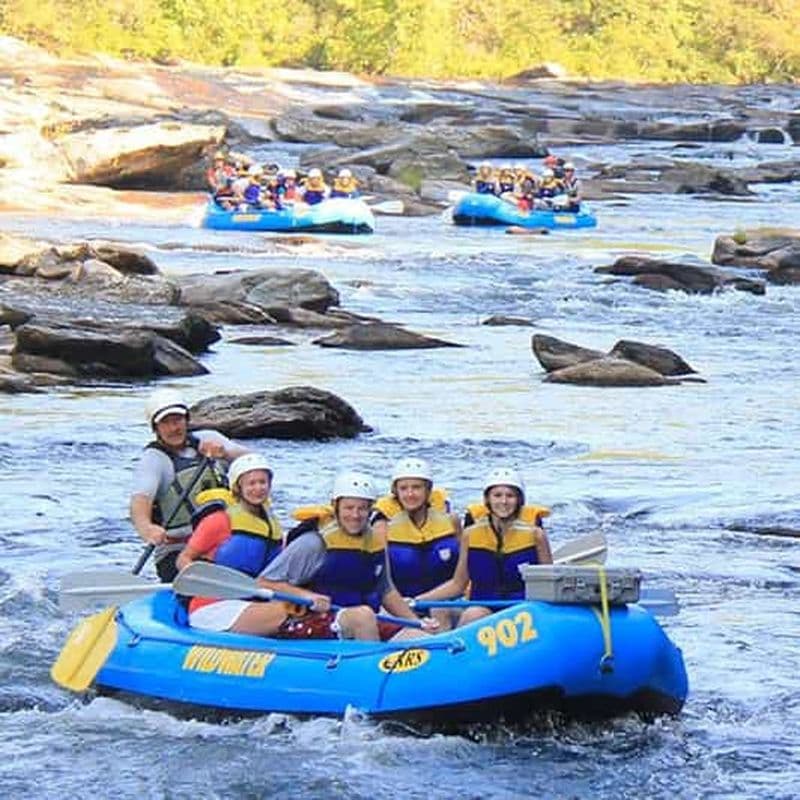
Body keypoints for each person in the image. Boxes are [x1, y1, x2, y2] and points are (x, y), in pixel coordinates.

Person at [260, 471, 438, 640]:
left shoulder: (374, 542)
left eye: (362, 509)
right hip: (313, 621)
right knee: (363, 616)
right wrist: (307, 596)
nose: (355, 515)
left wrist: (416, 622)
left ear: (370, 510)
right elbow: (265, 582)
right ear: (336, 506)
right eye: (349, 508)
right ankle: (370, 669)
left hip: (363, 621)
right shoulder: (314, 542)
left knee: (418, 636)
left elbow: (386, 591)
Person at [129, 388, 249, 582]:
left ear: (187, 420)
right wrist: (147, 528)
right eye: (165, 423)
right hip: (177, 550)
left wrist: (225, 453)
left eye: (177, 420)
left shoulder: (210, 438)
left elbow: (253, 462)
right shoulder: (154, 460)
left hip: (224, 542)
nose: (173, 428)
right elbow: (139, 503)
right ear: (156, 428)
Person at [414, 467, 553, 627]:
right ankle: (443, 649)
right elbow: (458, 584)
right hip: (483, 605)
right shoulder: (470, 535)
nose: (504, 502)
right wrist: (417, 600)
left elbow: (549, 584)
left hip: (521, 609)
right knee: (441, 610)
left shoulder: (536, 535)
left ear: (519, 500)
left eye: (510, 496)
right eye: (497, 495)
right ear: (488, 499)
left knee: (474, 614)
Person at [175, 454, 297, 635]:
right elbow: (183, 559)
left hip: (254, 602)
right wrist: (205, 579)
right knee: (288, 612)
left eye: (262, 482)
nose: (258, 488)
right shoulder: (219, 521)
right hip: (214, 606)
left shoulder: (273, 526)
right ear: (238, 487)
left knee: (300, 609)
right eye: (251, 483)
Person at [375, 458, 461, 629]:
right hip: (400, 605)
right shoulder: (382, 527)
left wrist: (420, 601)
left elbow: (461, 580)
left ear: (428, 490)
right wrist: (406, 608)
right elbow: (382, 581)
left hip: (445, 603)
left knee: (440, 610)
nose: (410, 494)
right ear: (396, 492)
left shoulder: (451, 521)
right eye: (404, 488)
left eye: (416, 487)